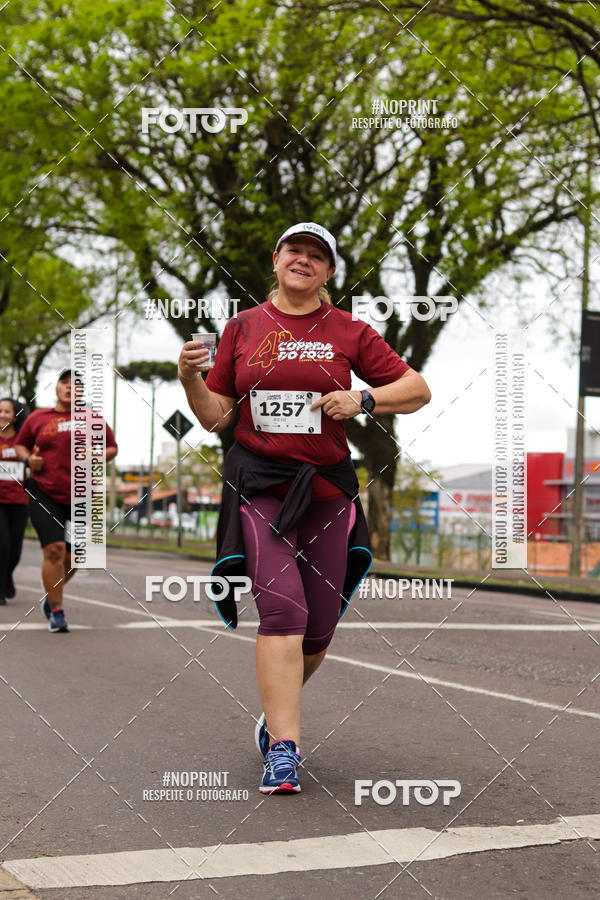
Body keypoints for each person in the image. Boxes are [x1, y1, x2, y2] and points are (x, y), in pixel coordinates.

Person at [178, 222, 431, 794]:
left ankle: (274, 715)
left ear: (329, 271)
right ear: (276, 258)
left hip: (326, 490)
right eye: (295, 250)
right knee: (284, 614)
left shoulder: (349, 330)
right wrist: (189, 379)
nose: (304, 260)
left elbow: (417, 389)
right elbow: (218, 417)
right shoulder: (242, 327)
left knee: (318, 629)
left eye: (317, 255)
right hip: (261, 484)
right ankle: (285, 751)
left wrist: (364, 397)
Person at [15, 370, 118, 632]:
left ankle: (53, 594)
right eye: (65, 382)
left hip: (81, 495)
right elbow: (20, 445)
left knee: (77, 555)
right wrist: (29, 460)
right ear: (57, 387)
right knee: (55, 550)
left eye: (76, 384)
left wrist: (96, 453)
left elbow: (112, 447)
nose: (70, 387)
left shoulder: (92, 418)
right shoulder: (38, 418)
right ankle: (57, 611)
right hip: (43, 492)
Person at [0, 398, 30, 605]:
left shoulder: (23, 440)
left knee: (16, 549)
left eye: (7, 411)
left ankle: (7, 575)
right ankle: (0, 588)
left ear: (15, 416)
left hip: (20, 500)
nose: (2, 415)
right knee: (3, 544)